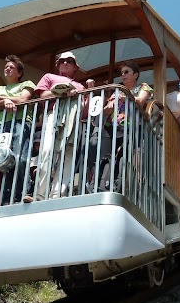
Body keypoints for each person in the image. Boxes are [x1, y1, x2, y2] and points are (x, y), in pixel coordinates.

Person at [29, 51, 88, 202]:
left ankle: (57, 194)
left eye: (69, 61)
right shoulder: (49, 76)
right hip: (53, 115)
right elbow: (42, 96)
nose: (65, 63)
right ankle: (40, 195)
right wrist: (61, 92)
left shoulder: (81, 86)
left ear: (75, 66)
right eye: (62, 61)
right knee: (47, 151)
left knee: (68, 154)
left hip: (75, 119)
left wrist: (89, 90)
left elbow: (85, 111)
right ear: (57, 65)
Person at [90, 62, 153, 192]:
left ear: (135, 75)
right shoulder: (117, 91)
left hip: (131, 127)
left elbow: (140, 101)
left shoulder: (143, 87)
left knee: (121, 156)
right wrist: (108, 108)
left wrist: (123, 98)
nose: (123, 75)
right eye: (122, 73)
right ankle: (97, 185)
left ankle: (115, 184)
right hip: (111, 126)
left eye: (126, 72)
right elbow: (107, 111)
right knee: (104, 156)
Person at [0, 55, 35, 204]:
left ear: (19, 73)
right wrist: (3, 99)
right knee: (0, 160)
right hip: (0, 125)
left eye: (11, 67)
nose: (7, 68)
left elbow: (23, 99)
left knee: (20, 157)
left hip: (21, 121)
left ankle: (23, 192)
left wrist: (1, 99)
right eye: (6, 67)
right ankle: (4, 198)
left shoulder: (26, 84)